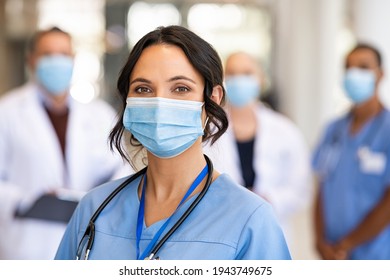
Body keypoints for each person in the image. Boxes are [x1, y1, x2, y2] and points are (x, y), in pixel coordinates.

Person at [55, 25, 291, 260]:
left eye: (181, 88)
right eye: (143, 89)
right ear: (128, 101)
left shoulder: (250, 219)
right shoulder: (94, 209)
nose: (160, 104)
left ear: (213, 100)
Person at [0, 27, 131, 259]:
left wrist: (101, 196)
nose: (56, 61)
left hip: (86, 239)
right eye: (47, 54)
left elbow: (119, 167)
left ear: (73, 60)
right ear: (31, 60)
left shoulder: (99, 114)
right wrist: (25, 202)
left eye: (63, 54)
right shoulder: (7, 112)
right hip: (27, 245)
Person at [203, 51, 312, 250]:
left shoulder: (285, 131)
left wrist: (269, 199)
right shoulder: (208, 131)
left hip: (272, 232)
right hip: (221, 232)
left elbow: (299, 190)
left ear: (260, 79)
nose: (239, 80)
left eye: (247, 73)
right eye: (232, 74)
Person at [312, 43, 390, 260]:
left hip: (375, 255)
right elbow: (322, 187)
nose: (354, 74)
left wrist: (347, 244)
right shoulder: (333, 130)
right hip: (332, 253)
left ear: (380, 74)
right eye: (349, 67)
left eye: (363, 67)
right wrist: (319, 241)